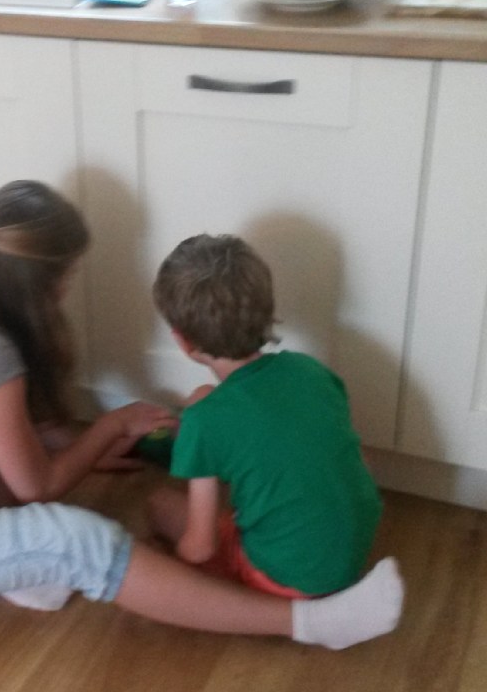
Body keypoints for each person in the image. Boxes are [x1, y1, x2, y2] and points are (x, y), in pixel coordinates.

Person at [0, 181, 402, 649]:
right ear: (42, 287)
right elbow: (38, 484)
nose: (69, 291)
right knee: (74, 540)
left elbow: (22, 432)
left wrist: (102, 443)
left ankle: (2, 564)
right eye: (68, 278)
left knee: (4, 463)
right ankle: (310, 622)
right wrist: (110, 426)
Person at [147, 233, 397, 613]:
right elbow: (354, 460)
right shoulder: (310, 371)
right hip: (353, 554)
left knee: (159, 505)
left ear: (183, 342)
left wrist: (172, 566)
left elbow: (200, 548)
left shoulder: (202, 422)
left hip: (287, 578)